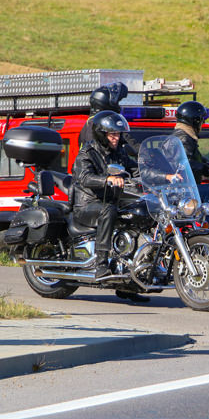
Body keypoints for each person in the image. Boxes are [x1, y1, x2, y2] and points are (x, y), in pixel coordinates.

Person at [72, 111, 141, 288]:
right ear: (101, 134)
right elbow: (84, 177)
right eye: (112, 134)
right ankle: (100, 264)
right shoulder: (87, 153)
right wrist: (107, 179)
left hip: (111, 201)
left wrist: (164, 176)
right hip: (87, 205)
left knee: (139, 212)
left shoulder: (119, 153)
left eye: (117, 134)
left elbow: (136, 170)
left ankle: (131, 272)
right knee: (107, 210)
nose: (116, 138)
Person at [172, 100, 209, 235]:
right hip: (182, 190)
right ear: (194, 121)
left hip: (184, 187)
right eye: (201, 120)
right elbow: (185, 163)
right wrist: (208, 169)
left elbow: (198, 159)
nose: (203, 124)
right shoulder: (183, 138)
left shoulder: (185, 136)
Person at [79, 82, 138, 155]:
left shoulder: (91, 123)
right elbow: (130, 143)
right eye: (117, 102)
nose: (116, 137)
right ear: (107, 102)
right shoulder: (101, 124)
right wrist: (143, 152)